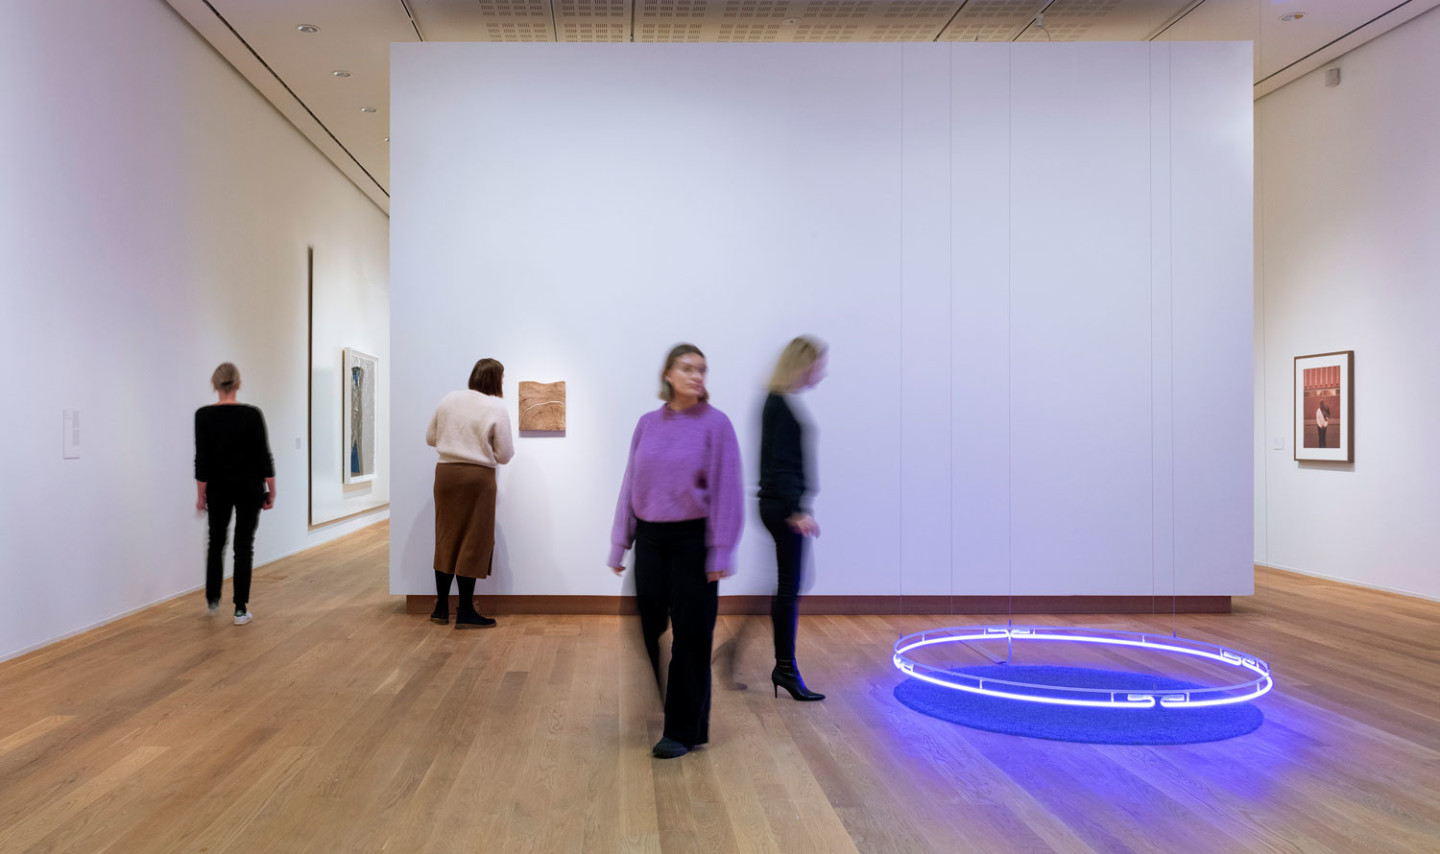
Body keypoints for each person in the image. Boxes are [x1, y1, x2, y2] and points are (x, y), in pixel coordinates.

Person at [609, 344, 743, 759]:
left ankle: (682, 730)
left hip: (693, 541)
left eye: (702, 369)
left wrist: (719, 551)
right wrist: (620, 540)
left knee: (692, 637)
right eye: (687, 368)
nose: (696, 376)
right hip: (650, 539)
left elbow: (728, 491)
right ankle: (685, 711)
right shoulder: (647, 424)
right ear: (667, 374)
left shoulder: (716, 425)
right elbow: (631, 483)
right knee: (648, 624)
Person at [759, 337, 827, 701]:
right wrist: (796, 510)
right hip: (783, 508)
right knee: (789, 589)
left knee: (788, 587)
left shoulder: (777, 402)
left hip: (779, 505)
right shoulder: (780, 406)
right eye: (817, 365)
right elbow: (781, 465)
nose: (821, 372)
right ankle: (785, 668)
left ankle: (784, 665)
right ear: (801, 364)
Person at [427, 358, 515, 628]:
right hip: (478, 479)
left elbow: (431, 438)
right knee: (473, 540)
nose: (502, 383)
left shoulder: (449, 400)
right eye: (501, 378)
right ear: (494, 379)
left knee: (445, 536)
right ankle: (465, 609)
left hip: (445, 475)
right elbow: (505, 454)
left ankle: (441, 608)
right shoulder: (495, 408)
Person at [194, 362, 275, 626]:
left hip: (218, 489)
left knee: (216, 543)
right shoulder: (252, 415)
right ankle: (240, 609)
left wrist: (200, 496)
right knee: (243, 546)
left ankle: (213, 599)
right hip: (249, 488)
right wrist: (271, 491)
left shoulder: (203, 416)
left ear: (215, 385)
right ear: (238, 384)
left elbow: (202, 461)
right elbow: (264, 457)